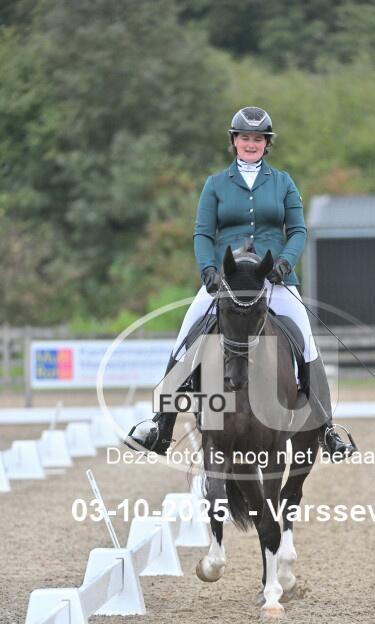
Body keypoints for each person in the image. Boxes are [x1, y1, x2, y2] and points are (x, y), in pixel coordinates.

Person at [127, 106, 356, 459]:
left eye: (258, 139)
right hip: (228, 280)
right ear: (234, 141)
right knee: (185, 337)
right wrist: (208, 270)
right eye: (245, 137)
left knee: (306, 342)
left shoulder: (283, 182)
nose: (251, 144)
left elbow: (298, 230)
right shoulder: (216, 184)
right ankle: (161, 425)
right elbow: (203, 233)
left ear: (267, 144)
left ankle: (327, 429)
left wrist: (284, 262)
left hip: (273, 278)